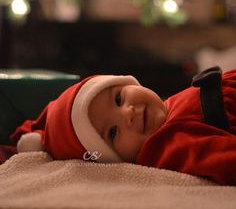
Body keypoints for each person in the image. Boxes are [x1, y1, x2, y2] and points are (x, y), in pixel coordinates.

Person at [10, 67, 236, 185]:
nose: (127, 114)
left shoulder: (169, 106)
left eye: (118, 99)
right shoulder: (164, 145)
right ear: (115, 158)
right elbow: (222, 159)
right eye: (113, 132)